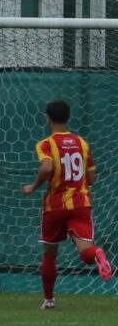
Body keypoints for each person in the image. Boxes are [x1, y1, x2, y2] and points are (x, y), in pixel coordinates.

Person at [22, 99, 112, 310]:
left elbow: (46, 167)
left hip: (55, 206)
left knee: (50, 253)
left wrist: (33, 187)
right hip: (81, 204)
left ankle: (49, 299)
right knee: (86, 252)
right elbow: (91, 179)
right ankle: (98, 253)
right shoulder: (82, 143)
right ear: (68, 118)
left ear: (48, 118)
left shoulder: (46, 143)